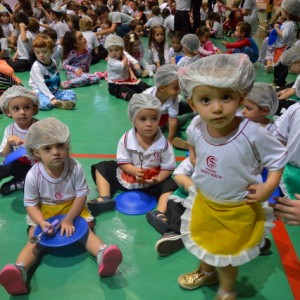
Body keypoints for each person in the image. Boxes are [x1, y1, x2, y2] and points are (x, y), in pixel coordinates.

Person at [176, 54, 287, 299]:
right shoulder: (195, 125)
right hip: (206, 201)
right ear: (192, 104)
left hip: (237, 207)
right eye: (206, 99)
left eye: (225, 97)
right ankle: (206, 272)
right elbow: (193, 143)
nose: (216, 108)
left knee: (227, 255)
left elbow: (278, 158)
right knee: (204, 242)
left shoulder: (252, 133)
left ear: (240, 97)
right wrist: (195, 159)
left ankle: (227, 290)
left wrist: (269, 186)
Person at [0, 118, 123, 296]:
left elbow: (81, 196)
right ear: (36, 152)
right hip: (43, 211)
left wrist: (69, 219)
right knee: (35, 240)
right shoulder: (34, 174)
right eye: (47, 148)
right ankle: (20, 271)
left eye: (60, 145)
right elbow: (31, 204)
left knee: (85, 233)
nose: (56, 152)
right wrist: (41, 223)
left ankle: (104, 254)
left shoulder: (75, 167)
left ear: (67, 146)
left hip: (72, 208)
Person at [88, 93, 178, 221]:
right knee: (102, 166)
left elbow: (168, 167)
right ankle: (104, 198)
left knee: (171, 184)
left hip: (151, 182)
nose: (149, 124)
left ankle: (159, 213)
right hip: (127, 177)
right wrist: (134, 171)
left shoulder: (163, 144)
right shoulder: (125, 139)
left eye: (154, 119)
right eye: (143, 119)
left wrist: (158, 179)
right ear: (133, 120)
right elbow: (123, 162)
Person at [0, 86, 39, 195]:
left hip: (36, 165)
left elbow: (45, 153)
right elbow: (5, 154)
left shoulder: (39, 127)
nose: (22, 112)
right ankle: (21, 181)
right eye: (16, 109)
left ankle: (20, 183)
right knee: (5, 165)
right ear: (8, 112)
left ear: (34, 109)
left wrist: (29, 145)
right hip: (19, 163)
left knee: (35, 184)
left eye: (26, 107)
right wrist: (9, 141)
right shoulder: (10, 129)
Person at [105, 34, 151, 101]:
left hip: (126, 81)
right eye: (111, 51)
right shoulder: (111, 61)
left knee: (140, 85)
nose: (114, 53)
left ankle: (152, 90)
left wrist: (132, 74)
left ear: (121, 50)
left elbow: (128, 65)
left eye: (116, 50)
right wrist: (126, 57)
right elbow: (123, 65)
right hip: (115, 85)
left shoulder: (122, 56)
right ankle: (136, 99)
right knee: (127, 92)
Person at [143, 64, 180, 144]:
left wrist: (170, 139)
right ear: (162, 88)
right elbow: (140, 117)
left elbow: (173, 119)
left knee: (183, 111)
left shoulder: (173, 98)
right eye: (176, 88)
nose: (179, 91)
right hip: (151, 115)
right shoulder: (147, 96)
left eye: (180, 87)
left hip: (162, 115)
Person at [264, 0, 299, 76]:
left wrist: (277, 29)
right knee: (278, 62)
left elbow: (284, 36)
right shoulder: (288, 23)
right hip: (282, 46)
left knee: (281, 64)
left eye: (282, 10)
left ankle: (279, 80)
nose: (281, 12)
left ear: (287, 12)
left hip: (285, 47)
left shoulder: (290, 24)